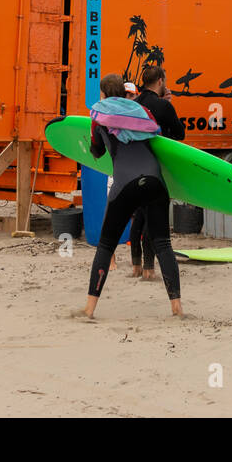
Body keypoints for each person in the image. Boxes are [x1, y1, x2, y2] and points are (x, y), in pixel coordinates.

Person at [75, 74, 182, 321]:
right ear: (124, 92)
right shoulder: (141, 112)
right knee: (163, 244)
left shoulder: (99, 117)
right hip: (155, 181)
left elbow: (98, 150)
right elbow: (158, 138)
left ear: (102, 94)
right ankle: (177, 307)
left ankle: (89, 309)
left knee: (105, 245)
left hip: (125, 184)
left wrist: (91, 147)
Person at [127, 65, 185, 282]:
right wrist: (167, 106)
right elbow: (180, 134)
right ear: (160, 80)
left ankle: (136, 265)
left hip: (133, 166)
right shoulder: (162, 105)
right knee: (154, 217)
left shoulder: (133, 104)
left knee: (139, 217)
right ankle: (149, 268)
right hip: (156, 168)